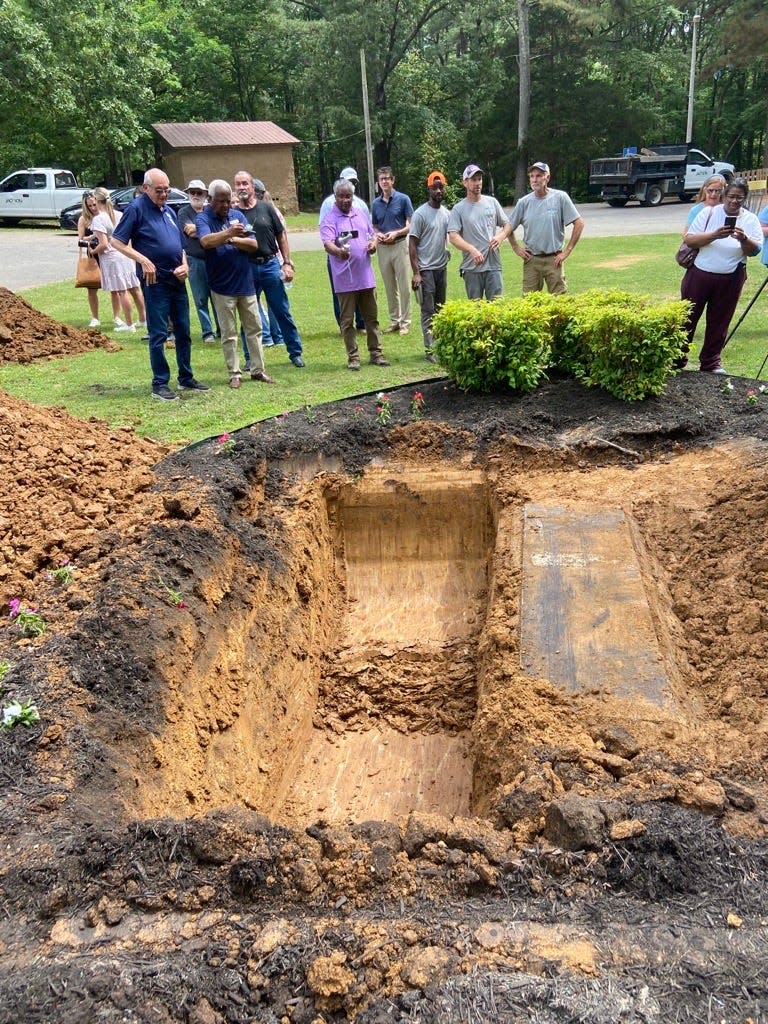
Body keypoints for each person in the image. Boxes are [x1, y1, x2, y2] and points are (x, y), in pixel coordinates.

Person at [111, 168, 209, 401]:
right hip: (155, 282)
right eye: (159, 190)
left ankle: (186, 377)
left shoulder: (169, 211)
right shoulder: (136, 209)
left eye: (166, 189)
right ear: (146, 188)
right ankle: (160, 383)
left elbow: (179, 244)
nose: (164, 194)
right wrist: (144, 261)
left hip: (177, 279)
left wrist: (185, 265)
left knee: (184, 331)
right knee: (158, 334)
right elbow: (117, 241)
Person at [196, 179, 275, 390]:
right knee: (229, 333)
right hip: (222, 286)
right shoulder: (203, 218)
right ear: (210, 199)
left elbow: (253, 244)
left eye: (227, 201)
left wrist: (231, 240)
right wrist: (229, 234)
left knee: (254, 328)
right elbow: (206, 241)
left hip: (245, 283)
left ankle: (258, 370)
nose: (225, 205)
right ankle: (234, 373)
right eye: (220, 201)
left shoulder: (237, 215)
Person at [680, 177, 763, 374]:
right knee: (687, 318)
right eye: (731, 196)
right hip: (699, 275)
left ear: (745, 199)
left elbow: (754, 251)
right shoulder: (708, 213)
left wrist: (743, 239)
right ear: (724, 195)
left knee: (720, 320)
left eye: (740, 198)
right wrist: (714, 235)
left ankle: (710, 363)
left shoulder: (750, 219)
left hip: (730, 278)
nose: (734, 201)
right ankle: (677, 357)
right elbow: (690, 240)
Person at [233, 170, 305, 367]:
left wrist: (287, 263)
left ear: (252, 187)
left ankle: (295, 352)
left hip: (270, 265)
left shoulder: (266, 209)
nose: (241, 188)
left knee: (281, 310)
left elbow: (281, 236)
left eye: (244, 184)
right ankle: (250, 358)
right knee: (248, 315)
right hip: (246, 268)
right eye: (238, 184)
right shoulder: (234, 214)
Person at [320, 179, 390, 371]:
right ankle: (353, 357)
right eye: (342, 196)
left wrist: (374, 244)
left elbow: (372, 233)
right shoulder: (330, 219)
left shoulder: (359, 214)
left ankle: (376, 353)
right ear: (335, 197)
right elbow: (327, 244)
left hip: (365, 276)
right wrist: (338, 252)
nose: (345, 200)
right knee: (347, 321)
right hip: (345, 279)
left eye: (348, 196)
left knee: (372, 318)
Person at [508, 161, 583, 294]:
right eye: (532, 176)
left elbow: (579, 223)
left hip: (554, 259)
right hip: (531, 259)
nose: (534, 179)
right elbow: (508, 226)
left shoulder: (560, 198)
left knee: (559, 303)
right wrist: (515, 247)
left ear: (547, 178)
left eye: (538, 175)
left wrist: (567, 251)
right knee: (530, 304)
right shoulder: (524, 202)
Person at [447, 164, 510, 299]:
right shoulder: (459, 209)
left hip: (493, 266)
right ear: (465, 182)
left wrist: (501, 236)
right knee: (476, 311)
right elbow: (453, 236)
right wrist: (471, 249)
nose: (478, 183)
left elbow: (507, 225)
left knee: (496, 309)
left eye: (479, 179)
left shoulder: (492, 203)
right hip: (472, 268)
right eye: (473, 180)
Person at [90, 187, 146, 334]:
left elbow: (103, 244)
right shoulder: (119, 214)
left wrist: (92, 251)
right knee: (134, 288)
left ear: (96, 200)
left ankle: (129, 323)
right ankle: (143, 319)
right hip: (126, 255)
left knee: (122, 291)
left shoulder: (98, 218)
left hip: (112, 258)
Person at [408, 171, 450, 363]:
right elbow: (412, 243)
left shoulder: (446, 213)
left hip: (441, 267)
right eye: (435, 187)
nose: (438, 190)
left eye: (441, 187)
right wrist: (416, 272)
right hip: (426, 270)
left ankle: (440, 346)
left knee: (440, 309)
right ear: (429, 189)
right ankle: (430, 350)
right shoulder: (420, 214)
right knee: (428, 311)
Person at [319, 166, 366, 331]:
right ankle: (345, 325)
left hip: (359, 259)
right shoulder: (328, 204)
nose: (351, 185)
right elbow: (325, 231)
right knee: (340, 292)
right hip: (337, 256)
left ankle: (361, 323)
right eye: (348, 181)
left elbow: (368, 231)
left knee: (361, 289)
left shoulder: (360, 205)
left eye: (353, 182)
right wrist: (338, 251)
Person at [177, 179, 219, 344]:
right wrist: (205, 231)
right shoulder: (183, 212)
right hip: (195, 260)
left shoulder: (211, 211)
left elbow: (216, 231)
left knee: (217, 296)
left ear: (205, 194)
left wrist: (199, 230)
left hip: (214, 259)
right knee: (200, 297)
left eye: (198, 192)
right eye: (192, 192)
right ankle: (207, 332)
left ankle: (222, 330)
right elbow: (188, 231)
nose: (195, 195)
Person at [372, 165, 413, 333]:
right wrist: (378, 235)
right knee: (389, 287)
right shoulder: (376, 203)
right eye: (382, 179)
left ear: (393, 180)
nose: (384, 182)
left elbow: (410, 224)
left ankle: (405, 322)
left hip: (400, 245)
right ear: (378, 182)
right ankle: (394, 320)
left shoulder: (403, 199)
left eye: (387, 178)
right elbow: (373, 226)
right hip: (383, 248)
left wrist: (396, 233)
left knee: (404, 286)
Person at [77, 191, 101, 327]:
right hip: (92, 253)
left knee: (118, 287)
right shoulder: (83, 219)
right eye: (89, 206)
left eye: (94, 204)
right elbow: (80, 240)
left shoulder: (104, 215)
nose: (93, 208)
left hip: (107, 252)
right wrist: (93, 236)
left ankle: (118, 317)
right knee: (92, 287)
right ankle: (95, 317)